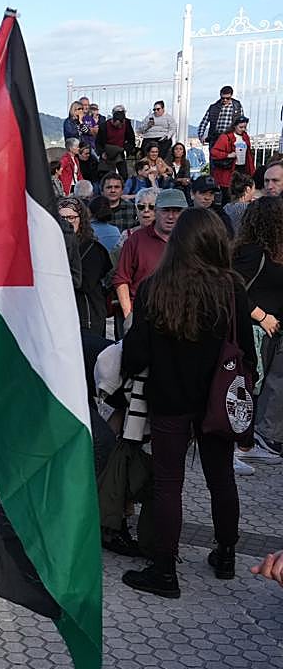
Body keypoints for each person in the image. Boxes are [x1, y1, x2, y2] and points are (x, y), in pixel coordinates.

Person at [121, 208, 256, 597]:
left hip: (168, 398)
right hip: (218, 399)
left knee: (168, 485)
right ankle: (226, 553)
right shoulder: (232, 288)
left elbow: (135, 355)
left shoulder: (155, 287)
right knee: (222, 478)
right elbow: (246, 351)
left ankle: (164, 570)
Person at [233, 196, 283, 461]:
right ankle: (242, 443)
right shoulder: (252, 252)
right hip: (253, 328)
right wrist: (261, 316)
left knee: (264, 387)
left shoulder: (275, 252)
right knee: (249, 385)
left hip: (270, 331)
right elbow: (233, 287)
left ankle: (253, 440)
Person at [114, 188, 186, 323]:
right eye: (165, 210)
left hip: (181, 316)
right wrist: (129, 316)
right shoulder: (135, 240)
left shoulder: (191, 240)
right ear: (156, 211)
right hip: (144, 316)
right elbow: (121, 279)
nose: (171, 216)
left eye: (176, 210)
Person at [59, 197, 112, 335]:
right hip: (60, 318)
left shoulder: (93, 249)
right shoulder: (50, 248)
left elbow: (84, 283)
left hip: (87, 319)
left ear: (81, 220)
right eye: (61, 218)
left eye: (71, 217)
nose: (66, 223)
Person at [210, 116, 253, 193]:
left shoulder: (245, 137)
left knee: (241, 192)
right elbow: (214, 152)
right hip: (230, 169)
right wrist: (228, 155)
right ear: (234, 126)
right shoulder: (225, 137)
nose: (243, 129)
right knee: (228, 193)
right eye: (241, 127)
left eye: (245, 127)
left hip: (242, 168)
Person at [197, 85, 245, 150]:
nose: (225, 100)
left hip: (230, 140)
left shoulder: (237, 106)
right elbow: (204, 123)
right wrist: (201, 136)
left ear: (231, 96)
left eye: (227, 98)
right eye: (223, 98)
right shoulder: (213, 107)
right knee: (215, 158)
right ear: (220, 95)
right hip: (215, 139)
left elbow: (241, 124)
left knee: (230, 159)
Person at [97, 105, 137, 177]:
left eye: (122, 124)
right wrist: (102, 153)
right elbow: (98, 142)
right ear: (114, 121)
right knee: (106, 176)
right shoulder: (104, 126)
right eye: (118, 125)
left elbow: (131, 139)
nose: (120, 127)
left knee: (123, 175)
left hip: (120, 153)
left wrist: (126, 149)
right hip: (107, 153)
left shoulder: (126, 124)